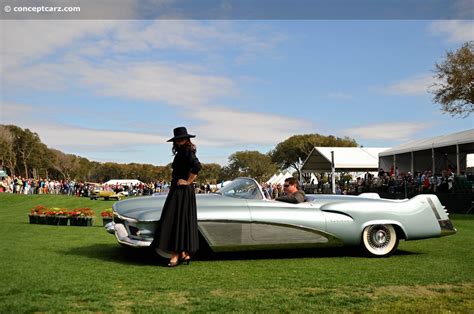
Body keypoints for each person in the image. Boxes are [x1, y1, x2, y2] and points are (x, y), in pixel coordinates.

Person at [156, 127, 201, 267]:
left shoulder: (187, 151)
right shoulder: (183, 152)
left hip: (182, 190)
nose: (180, 141)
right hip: (179, 190)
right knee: (180, 221)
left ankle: (176, 254)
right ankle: (183, 253)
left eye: (182, 138)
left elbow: (197, 167)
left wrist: (187, 181)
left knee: (175, 221)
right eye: (178, 139)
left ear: (187, 139)